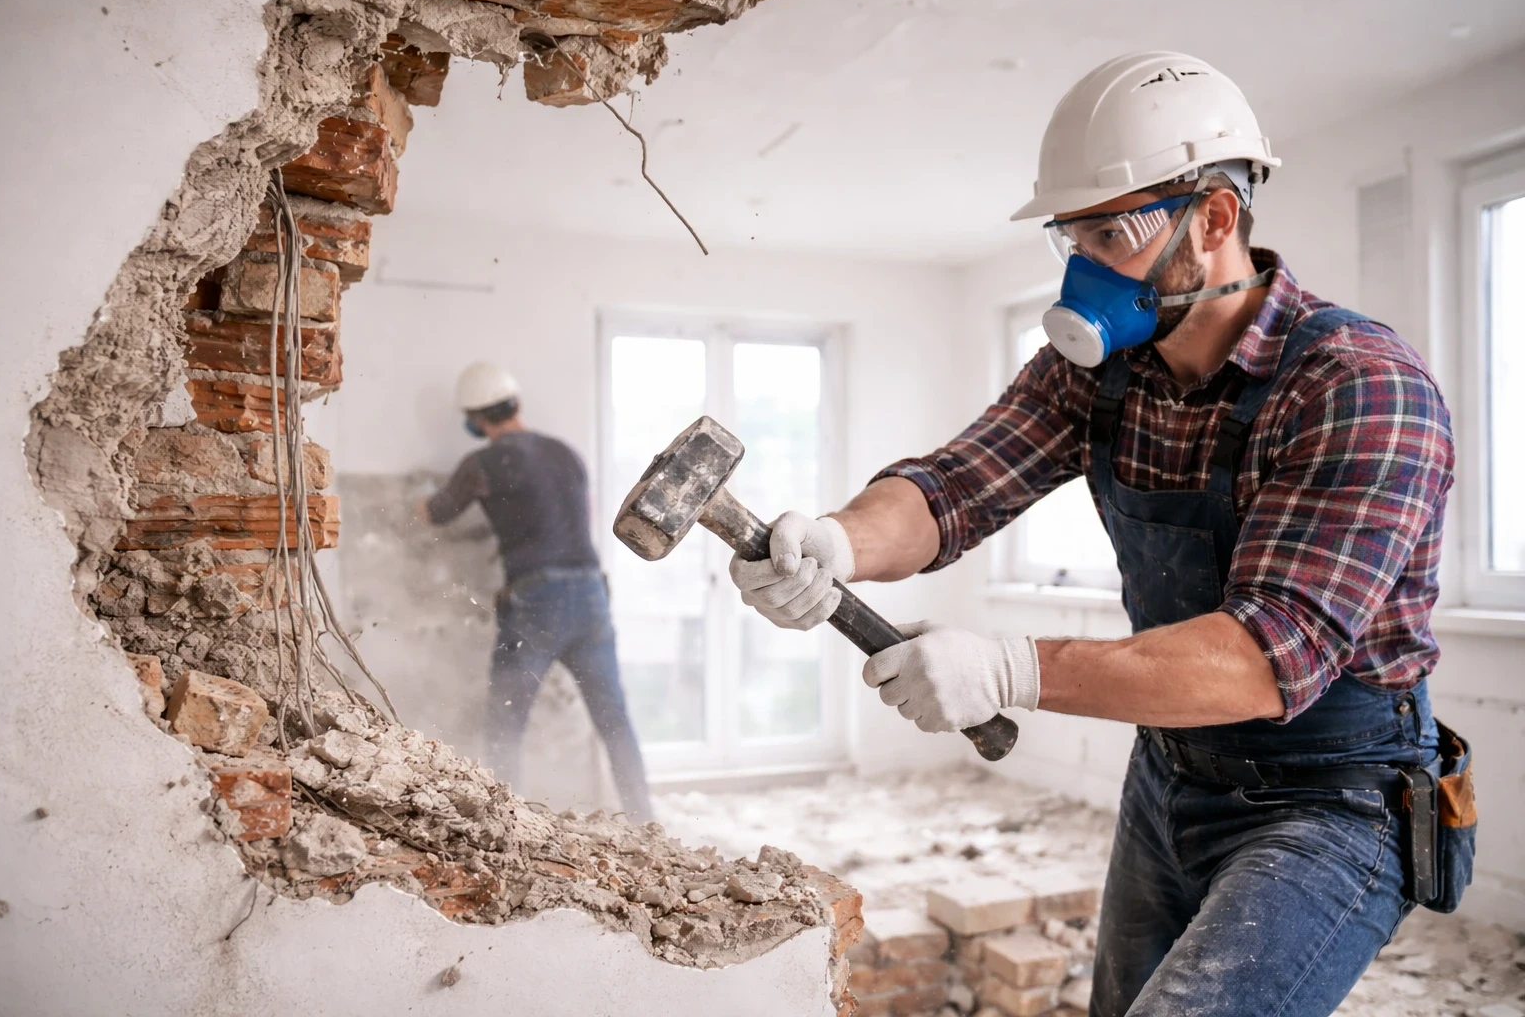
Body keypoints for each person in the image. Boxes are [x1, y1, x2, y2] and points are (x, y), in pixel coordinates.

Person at [729, 52, 1473, 1016]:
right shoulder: (1095, 371)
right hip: (1172, 769)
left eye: (1111, 232)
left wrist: (1010, 669)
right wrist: (835, 540)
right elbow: (955, 487)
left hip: (1330, 797)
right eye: (1068, 235)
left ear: (1213, 219)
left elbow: (1263, 659)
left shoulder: (1358, 385)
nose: (1084, 267)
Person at [421, 362, 653, 821]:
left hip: (536, 602)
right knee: (614, 722)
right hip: (591, 596)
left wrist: (411, 504)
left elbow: (437, 514)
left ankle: (505, 823)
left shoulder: (482, 463)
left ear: (474, 420)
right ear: (517, 405)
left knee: (506, 722)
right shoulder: (566, 453)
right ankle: (647, 821)